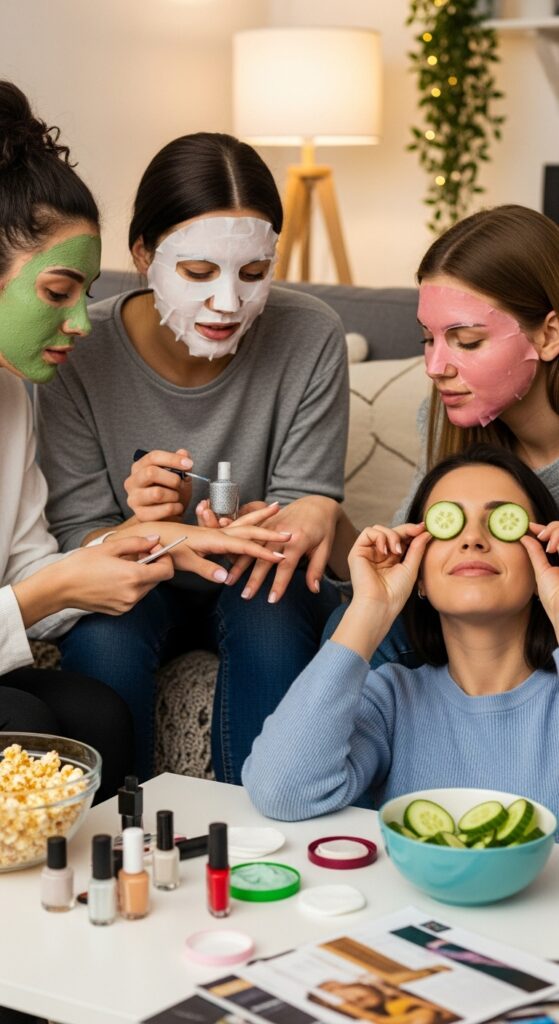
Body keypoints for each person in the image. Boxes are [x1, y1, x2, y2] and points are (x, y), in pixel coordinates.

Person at [36, 131, 348, 783]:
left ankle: (267, 840)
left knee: (267, 606)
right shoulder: (74, 349)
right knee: (105, 633)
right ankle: (121, 847)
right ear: (143, 253)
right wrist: (143, 528)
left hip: (256, 580)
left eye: (254, 274)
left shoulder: (311, 333)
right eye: (199, 273)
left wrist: (313, 511)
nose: (228, 302)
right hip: (137, 579)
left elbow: (305, 504)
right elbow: (75, 541)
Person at [243, 444, 559, 821]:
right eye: (448, 524)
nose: (472, 539)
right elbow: (281, 792)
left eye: (502, 522)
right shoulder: (392, 698)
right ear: (419, 575)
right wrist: (370, 607)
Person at [324, 204, 559, 673]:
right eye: (427, 340)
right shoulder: (441, 422)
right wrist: (332, 525)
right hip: (468, 636)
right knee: (347, 622)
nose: (436, 367)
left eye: (467, 340)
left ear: (550, 335)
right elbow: (404, 577)